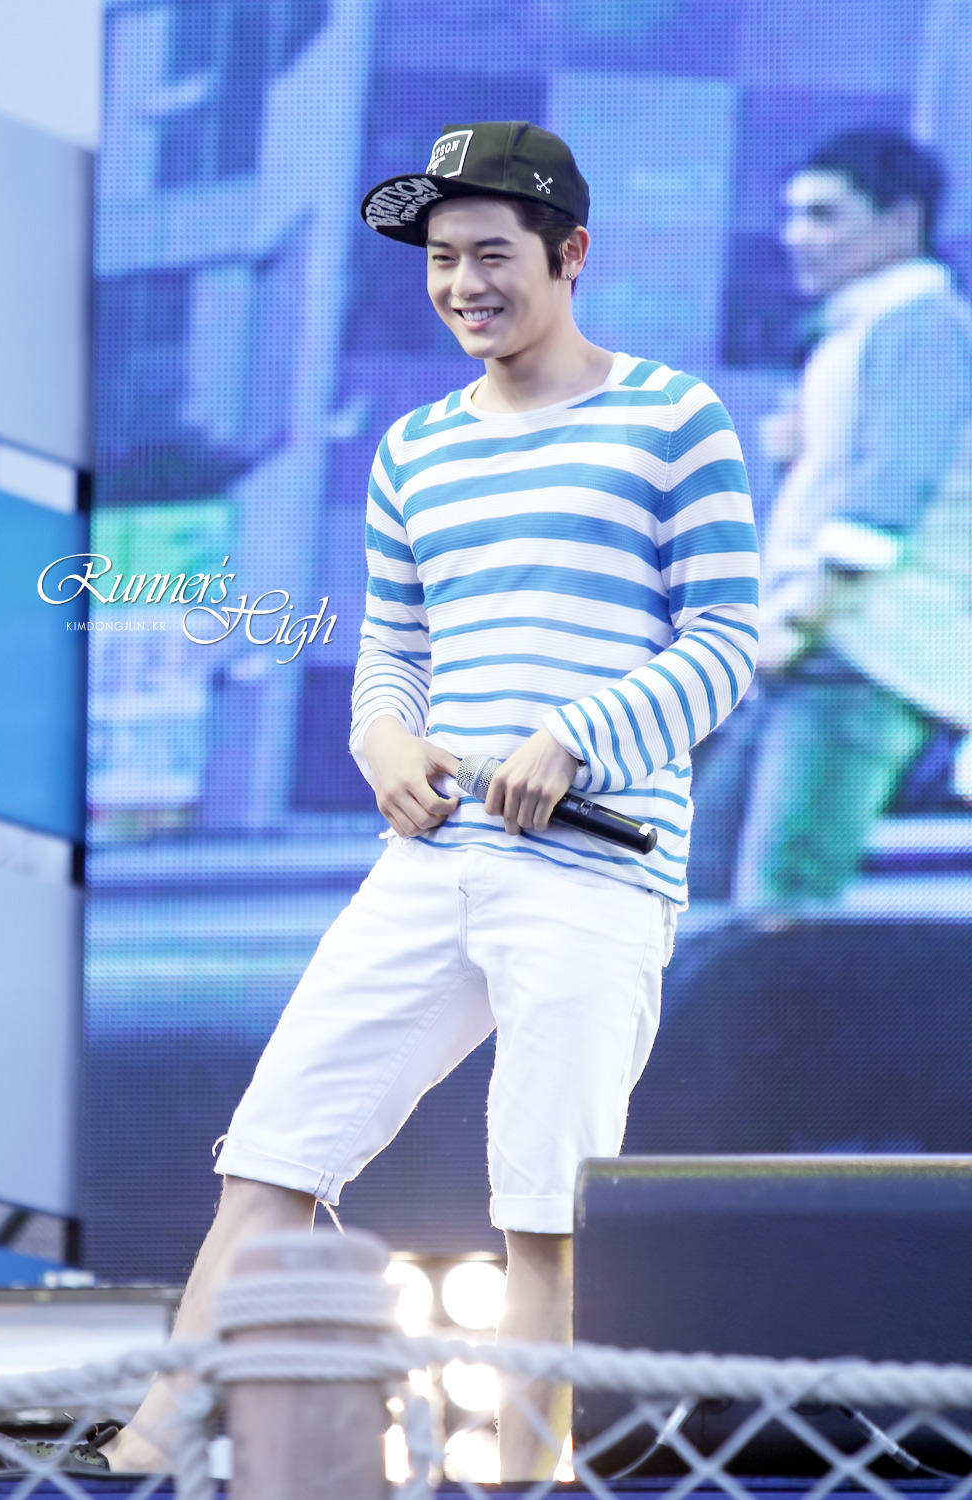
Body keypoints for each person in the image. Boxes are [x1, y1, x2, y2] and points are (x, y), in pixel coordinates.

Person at [106, 121, 758, 1481]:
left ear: (571, 255)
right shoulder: (411, 448)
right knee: (273, 1155)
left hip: (595, 873)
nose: (464, 283)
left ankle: (524, 1478)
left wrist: (576, 739)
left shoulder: (673, 417)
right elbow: (394, 649)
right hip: (427, 861)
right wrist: (382, 739)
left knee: (544, 1213)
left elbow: (725, 642)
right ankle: (144, 1455)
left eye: (492, 254)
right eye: (442, 259)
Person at [691, 128, 972, 914]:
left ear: (902, 219)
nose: (798, 238)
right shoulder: (863, 328)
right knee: (711, 889)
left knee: (783, 903)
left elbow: (889, 495)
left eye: (825, 215)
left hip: (861, 654)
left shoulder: (921, 322)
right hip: (816, 648)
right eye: (793, 216)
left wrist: (800, 619)